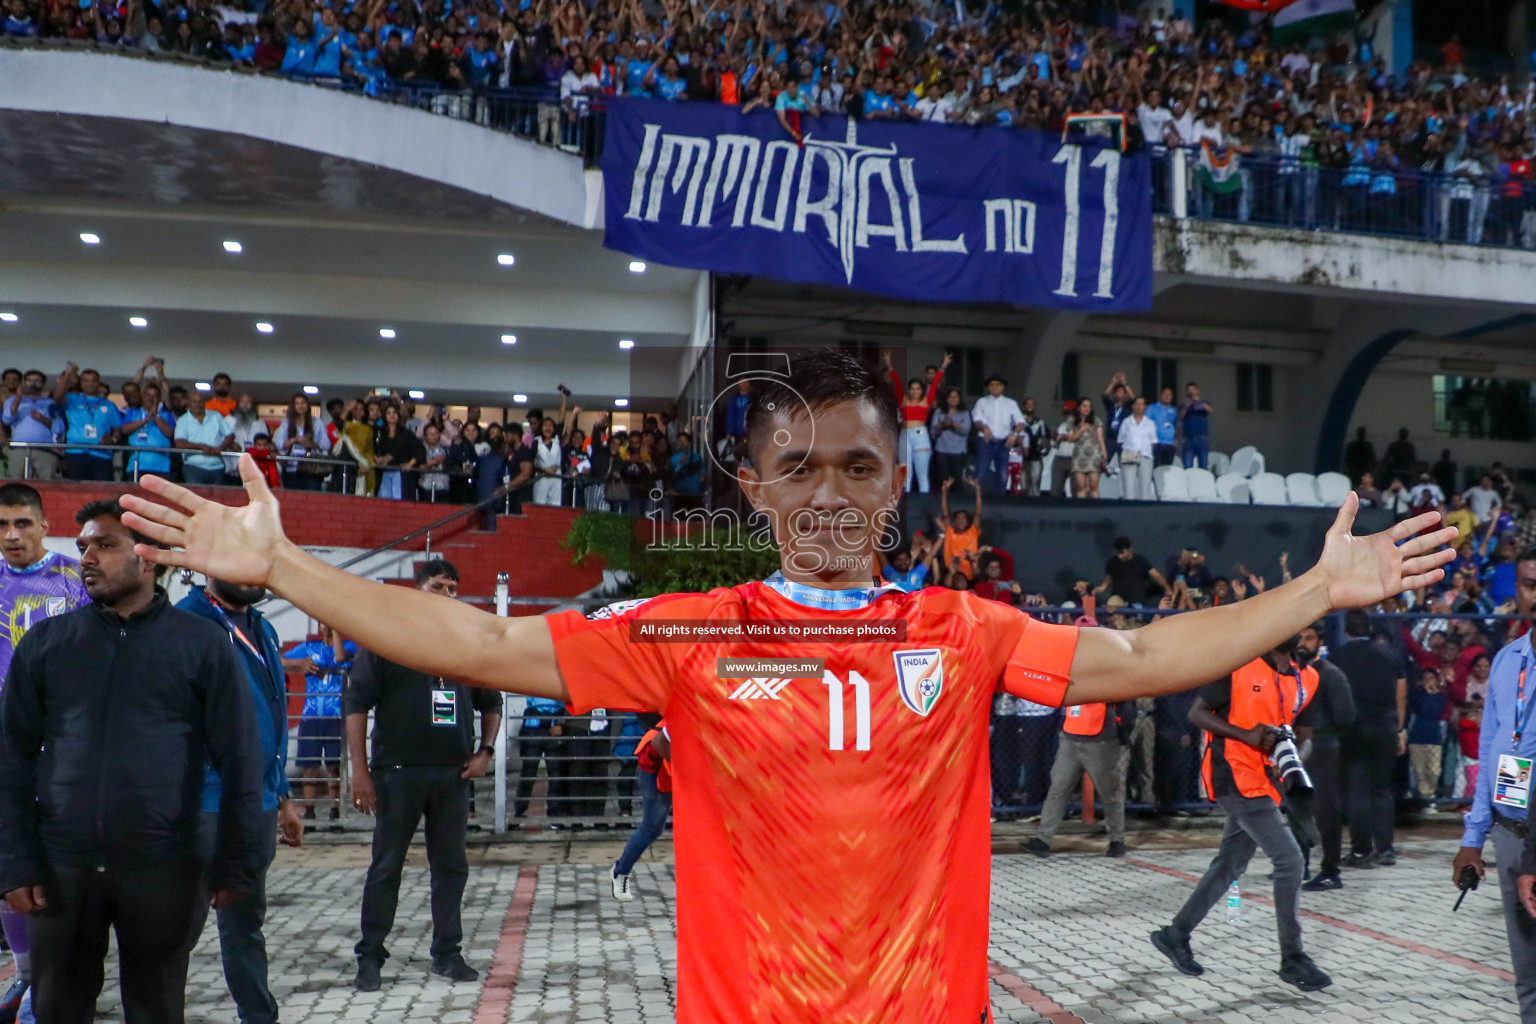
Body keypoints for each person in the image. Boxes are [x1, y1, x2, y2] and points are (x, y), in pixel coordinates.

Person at [118, 347, 1456, 1024]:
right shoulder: (694, 633)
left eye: (859, 470)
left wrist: (1321, 590)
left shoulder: (965, 628)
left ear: (896, 489)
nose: (829, 496)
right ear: (752, 489)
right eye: (799, 470)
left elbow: (1152, 658)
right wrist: (283, 567)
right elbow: (476, 646)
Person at [0, 499, 263, 1024]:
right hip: (62, 868)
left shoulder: (201, 644)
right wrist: (14, 862)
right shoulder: (50, 644)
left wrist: (238, 863)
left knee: (157, 1008)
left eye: (105, 545)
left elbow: (240, 761)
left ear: (149, 558)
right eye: (82, 548)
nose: (87, 558)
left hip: (164, 868)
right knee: (58, 1009)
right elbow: (10, 760)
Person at [343, 560, 502, 992]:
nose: (446, 595)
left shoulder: (465, 643)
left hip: (452, 776)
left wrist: (485, 751)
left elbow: (492, 699)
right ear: (417, 591)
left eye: (453, 588)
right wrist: (359, 772)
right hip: (397, 775)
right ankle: (371, 956)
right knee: (386, 866)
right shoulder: (388, 639)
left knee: (451, 868)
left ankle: (447, 954)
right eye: (437, 586)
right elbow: (355, 703)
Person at [1149, 636, 1330, 992]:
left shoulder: (1307, 678)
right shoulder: (1239, 664)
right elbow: (1196, 713)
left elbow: (1306, 734)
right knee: (1290, 861)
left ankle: (1175, 934)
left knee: (1229, 864)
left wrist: (1293, 759)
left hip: (1266, 781)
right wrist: (1246, 735)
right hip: (1233, 773)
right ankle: (1292, 958)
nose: (1300, 633)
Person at [179, 576, 306, 1024]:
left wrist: (284, 797)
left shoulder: (262, 628)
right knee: (177, 933)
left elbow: (271, 712)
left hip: (257, 804)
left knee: (246, 926)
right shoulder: (184, 625)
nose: (253, 576)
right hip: (202, 808)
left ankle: (258, 1016)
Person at [0, 484, 90, 1019]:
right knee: (6, 862)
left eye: (22, 523)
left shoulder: (74, 578)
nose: (11, 535)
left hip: (57, 742)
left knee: (54, 861)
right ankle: (27, 973)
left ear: (43, 523)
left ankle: (52, 980)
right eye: (2, 524)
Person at [1465, 548, 1536, 1022]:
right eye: (1530, 584)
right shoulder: (1508, 659)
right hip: (1510, 829)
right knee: (1527, 970)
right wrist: (1473, 837)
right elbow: (1490, 749)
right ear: (1517, 592)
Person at [1024, 676, 1136, 858]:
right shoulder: (1076, 669)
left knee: (1110, 792)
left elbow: (1124, 700)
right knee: (1058, 789)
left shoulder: (1107, 673)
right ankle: (1043, 840)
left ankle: (1117, 840)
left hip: (1099, 740)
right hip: (1071, 736)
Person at [1330, 610, 1407, 867]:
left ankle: (1361, 850)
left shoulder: (1337, 657)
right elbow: (1401, 694)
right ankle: (1385, 848)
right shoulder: (1389, 656)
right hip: (1384, 726)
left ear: (1346, 631)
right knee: (1381, 789)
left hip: (1352, 729)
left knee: (1356, 789)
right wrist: (1400, 728)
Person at [1295, 621, 1356, 891]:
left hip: (1323, 750)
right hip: (1297, 750)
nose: (1302, 644)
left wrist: (1322, 733)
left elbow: (1346, 716)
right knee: (1298, 810)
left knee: (1325, 811)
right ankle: (1300, 863)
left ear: (1319, 641)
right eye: (1299, 638)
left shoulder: (1329, 674)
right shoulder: (1291, 673)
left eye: (1309, 638)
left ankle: (1331, 869)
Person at [283, 624, 355, 825]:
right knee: (309, 768)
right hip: (311, 716)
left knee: (334, 767)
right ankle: (310, 813)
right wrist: (299, 663)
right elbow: (277, 660)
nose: (328, 626)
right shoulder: (309, 648)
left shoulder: (350, 645)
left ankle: (335, 812)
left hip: (336, 716)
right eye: (324, 622)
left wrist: (338, 630)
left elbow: (340, 658)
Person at [611, 715, 670, 901]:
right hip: (655, 769)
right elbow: (659, 742)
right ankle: (620, 872)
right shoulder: (684, 716)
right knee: (651, 828)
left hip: (676, 768)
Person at [883, 350, 947, 494]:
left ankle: (923, 504)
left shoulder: (926, 401)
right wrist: (889, 366)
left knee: (922, 474)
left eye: (918, 389)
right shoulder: (903, 400)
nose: (915, 391)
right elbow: (897, 384)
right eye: (912, 389)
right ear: (909, 390)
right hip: (905, 435)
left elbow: (935, 384)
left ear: (922, 390)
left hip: (920, 436)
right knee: (906, 473)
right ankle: (905, 504)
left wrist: (943, 367)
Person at [52, 364, 119, 482]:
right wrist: (67, 374)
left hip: (102, 454)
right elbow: (57, 396)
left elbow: (117, 429)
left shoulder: (109, 404)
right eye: (86, 381)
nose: (90, 384)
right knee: (75, 490)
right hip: (76, 452)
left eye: (93, 381)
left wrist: (112, 440)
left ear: (99, 383)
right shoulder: (72, 399)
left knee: (101, 492)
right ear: (81, 383)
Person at [970, 375, 1025, 496]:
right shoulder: (982, 401)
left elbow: (1021, 422)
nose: (994, 387)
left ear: (1002, 387)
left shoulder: (1011, 403)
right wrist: (984, 428)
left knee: (1003, 474)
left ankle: (999, 501)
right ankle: (976, 499)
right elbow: (976, 419)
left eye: (997, 385)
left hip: (1003, 442)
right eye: (991, 385)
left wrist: (1014, 434)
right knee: (981, 471)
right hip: (986, 441)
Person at [174, 391, 235, 486]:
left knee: (217, 500)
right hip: (193, 467)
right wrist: (201, 447)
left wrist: (221, 447)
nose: (198, 404)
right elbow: (179, 443)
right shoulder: (183, 420)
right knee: (195, 499)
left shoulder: (216, 415)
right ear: (188, 403)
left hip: (217, 467)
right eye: (194, 401)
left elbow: (230, 435)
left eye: (200, 401)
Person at [1096, 536, 1168, 606]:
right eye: (1118, 553)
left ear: (1130, 549)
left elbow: (1156, 575)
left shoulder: (1140, 561)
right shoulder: (1112, 562)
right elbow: (1108, 578)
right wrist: (1102, 587)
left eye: (1122, 553)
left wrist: (1167, 588)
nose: (1119, 556)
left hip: (1136, 602)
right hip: (1118, 602)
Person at [1116, 396, 1157, 500]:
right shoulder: (1126, 422)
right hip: (1129, 453)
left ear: (1145, 407)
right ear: (1133, 406)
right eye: (1137, 404)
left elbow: (1153, 441)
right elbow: (1120, 440)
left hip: (1145, 454)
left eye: (1142, 404)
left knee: (1145, 486)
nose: (1139, 406)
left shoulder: (1150, 423)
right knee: (1128, 487)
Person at [1068, 396, 1106, 498]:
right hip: (1079, 456)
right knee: (1081, 486)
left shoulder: (1096, 420)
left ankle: (1096, 509)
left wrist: (1104, 455)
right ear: (1079, 408)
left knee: (1094, 485)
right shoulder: (1072, 420)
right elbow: (1070, 438)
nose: (1087, 408)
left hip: (1094, 456)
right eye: (1084, 406)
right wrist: (1081, 430)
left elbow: (1100, 439)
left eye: (1089, 406)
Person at [1178, 382, 1212, 469]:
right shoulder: (1183, 405)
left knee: (1203, 464)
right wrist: (1187, 405)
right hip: (1188, 439)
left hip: (1202, 438)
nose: (1191, 392)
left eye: (1193, 390)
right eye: (1189, 391)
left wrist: (1198, 401)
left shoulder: (1203, 403)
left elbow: (1209, 410)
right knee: (1188, 464)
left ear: (1197, 391)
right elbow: (1181, 416)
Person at [1148, 387, 1179, 468]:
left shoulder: (1174, 410)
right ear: (1160, 395)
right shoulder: (1152, 408)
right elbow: (1146, 424)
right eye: (1165, 394)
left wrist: (1176, 439)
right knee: (1155, 468)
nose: (1167, 396)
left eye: (1169, 394)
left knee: (1167, 469)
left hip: (1169, 444)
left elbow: (1177, 425)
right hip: (1156, 444)